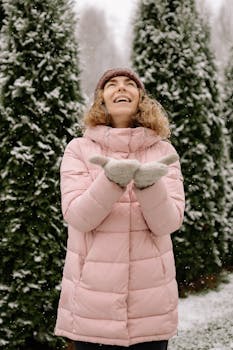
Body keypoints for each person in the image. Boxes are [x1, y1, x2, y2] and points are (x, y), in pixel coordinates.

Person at [54, 68, 185, 350]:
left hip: (150, 307)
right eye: (111, 85)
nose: (121, 88)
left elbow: (168, 223)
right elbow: (78, 216)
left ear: (141, 98)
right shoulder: (78, 149)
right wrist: (111, 181)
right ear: (101, 98)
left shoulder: (162, 151)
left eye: (130, 84)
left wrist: (150, 186)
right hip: (92, 306)